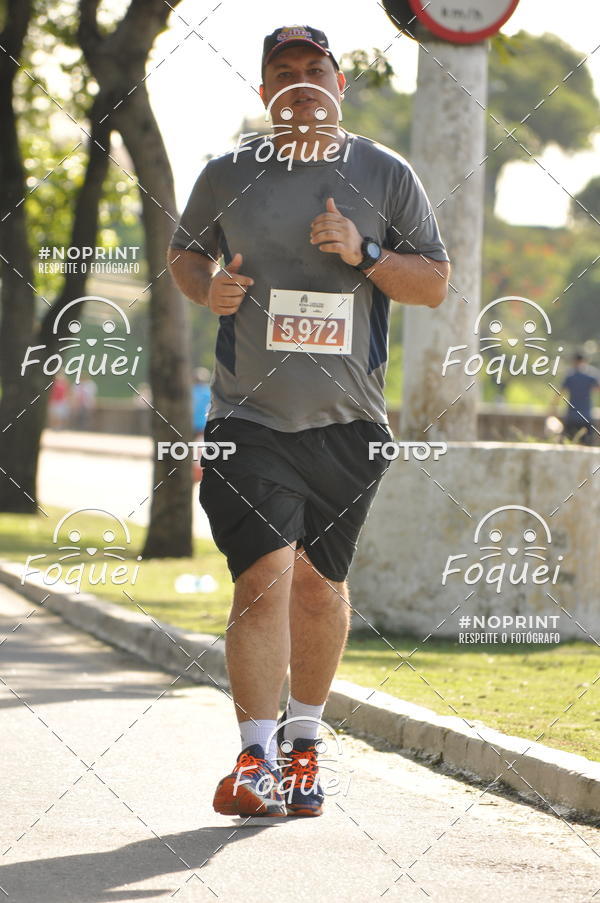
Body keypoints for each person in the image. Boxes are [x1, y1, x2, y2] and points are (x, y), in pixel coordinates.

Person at [168, 25, 450, 818]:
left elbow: (433, 283)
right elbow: (185, 253)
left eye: (314, 69)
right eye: (283, 72)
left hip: (347, 422)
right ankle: (254, 757)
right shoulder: (227, 174)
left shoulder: (385, 174)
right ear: (265, 92)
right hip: (247, 416)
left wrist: (365, 253)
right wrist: (207, 287)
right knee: (263, 578)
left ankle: (303, 747)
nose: (300, 83)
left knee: (320, 591)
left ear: (338, 83)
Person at [561, 352, 599, 445]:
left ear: (574, 361)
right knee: (587, 445)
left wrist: (551, 408)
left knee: (569, 444)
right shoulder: (591, 376)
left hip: (572, 416)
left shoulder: (570, 376)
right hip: (586, 416)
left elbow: (560, 393)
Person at [192, 367, 212, 482]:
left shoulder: (190, 391)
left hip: (190, 426)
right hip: (203, 426)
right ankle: (198, 475)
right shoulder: (208, 392)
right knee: (199, 451)